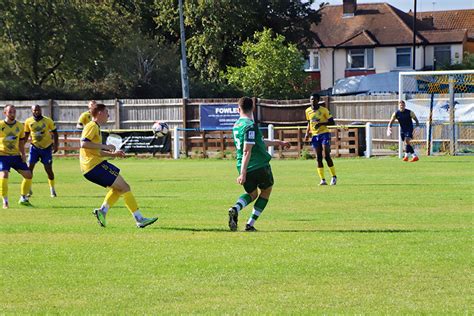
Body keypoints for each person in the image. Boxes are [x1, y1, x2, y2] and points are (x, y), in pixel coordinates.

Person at [80, 102, 158, 228]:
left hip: (93, 166)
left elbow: (96, 152)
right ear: (99, 113)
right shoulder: (92, 126)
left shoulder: (96, 128)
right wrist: (105, 146)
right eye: (106, 112)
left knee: (118, 189)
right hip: (93, 166)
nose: (108, 115)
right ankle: (139, 219)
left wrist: (114, 154)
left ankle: (102, 212)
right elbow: (83, 144)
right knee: (125, 187)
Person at [228, 97, 290, 232]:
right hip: (258, 165)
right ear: (253, 108)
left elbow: (259, 142)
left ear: (239, 109)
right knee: (266, 190)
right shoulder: (250, 126)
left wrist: (278, 142)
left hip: (242, 165)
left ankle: (235, 208)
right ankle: (250, 224)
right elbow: (247, 150)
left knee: (252, 194)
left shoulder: (237, 125)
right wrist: (243, 173)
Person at [0, 104, 33, 208]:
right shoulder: (1, 125)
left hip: (15, 156)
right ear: (5, 113)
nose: (12, 114)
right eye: (10, 112)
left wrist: (23, 154)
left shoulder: (19, 126)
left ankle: (23, 198)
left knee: (28, 175)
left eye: (14, 112)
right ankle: (5, 201)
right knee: (4, 175)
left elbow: (21, 142)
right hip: (3, 156)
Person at [24, 105, 59, 197]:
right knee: (29, 168)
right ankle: (28, 189)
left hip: (46, 148)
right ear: (32, 111)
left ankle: (52, 190)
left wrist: (56, 145)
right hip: (34, 148)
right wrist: (21, 146)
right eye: (35, 110)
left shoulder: (47, 121)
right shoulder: (28, 121)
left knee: (48, 169)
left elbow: (55, 132)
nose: (37, 112)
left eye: (38, 110)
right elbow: (26, 134)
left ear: (41, 110)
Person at [304, 93, 337, 186]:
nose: (312, 101)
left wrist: (321, 124)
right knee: (318, 158)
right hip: (315, 136)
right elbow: (309, 123)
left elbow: (332, 122)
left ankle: (334, 176)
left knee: (326, 155)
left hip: (324, 134)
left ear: (318, 100)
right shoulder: (307, 111)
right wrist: (307, 133)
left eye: (314, 99)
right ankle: (322, 180)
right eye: (311, 99)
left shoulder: (324, 110)